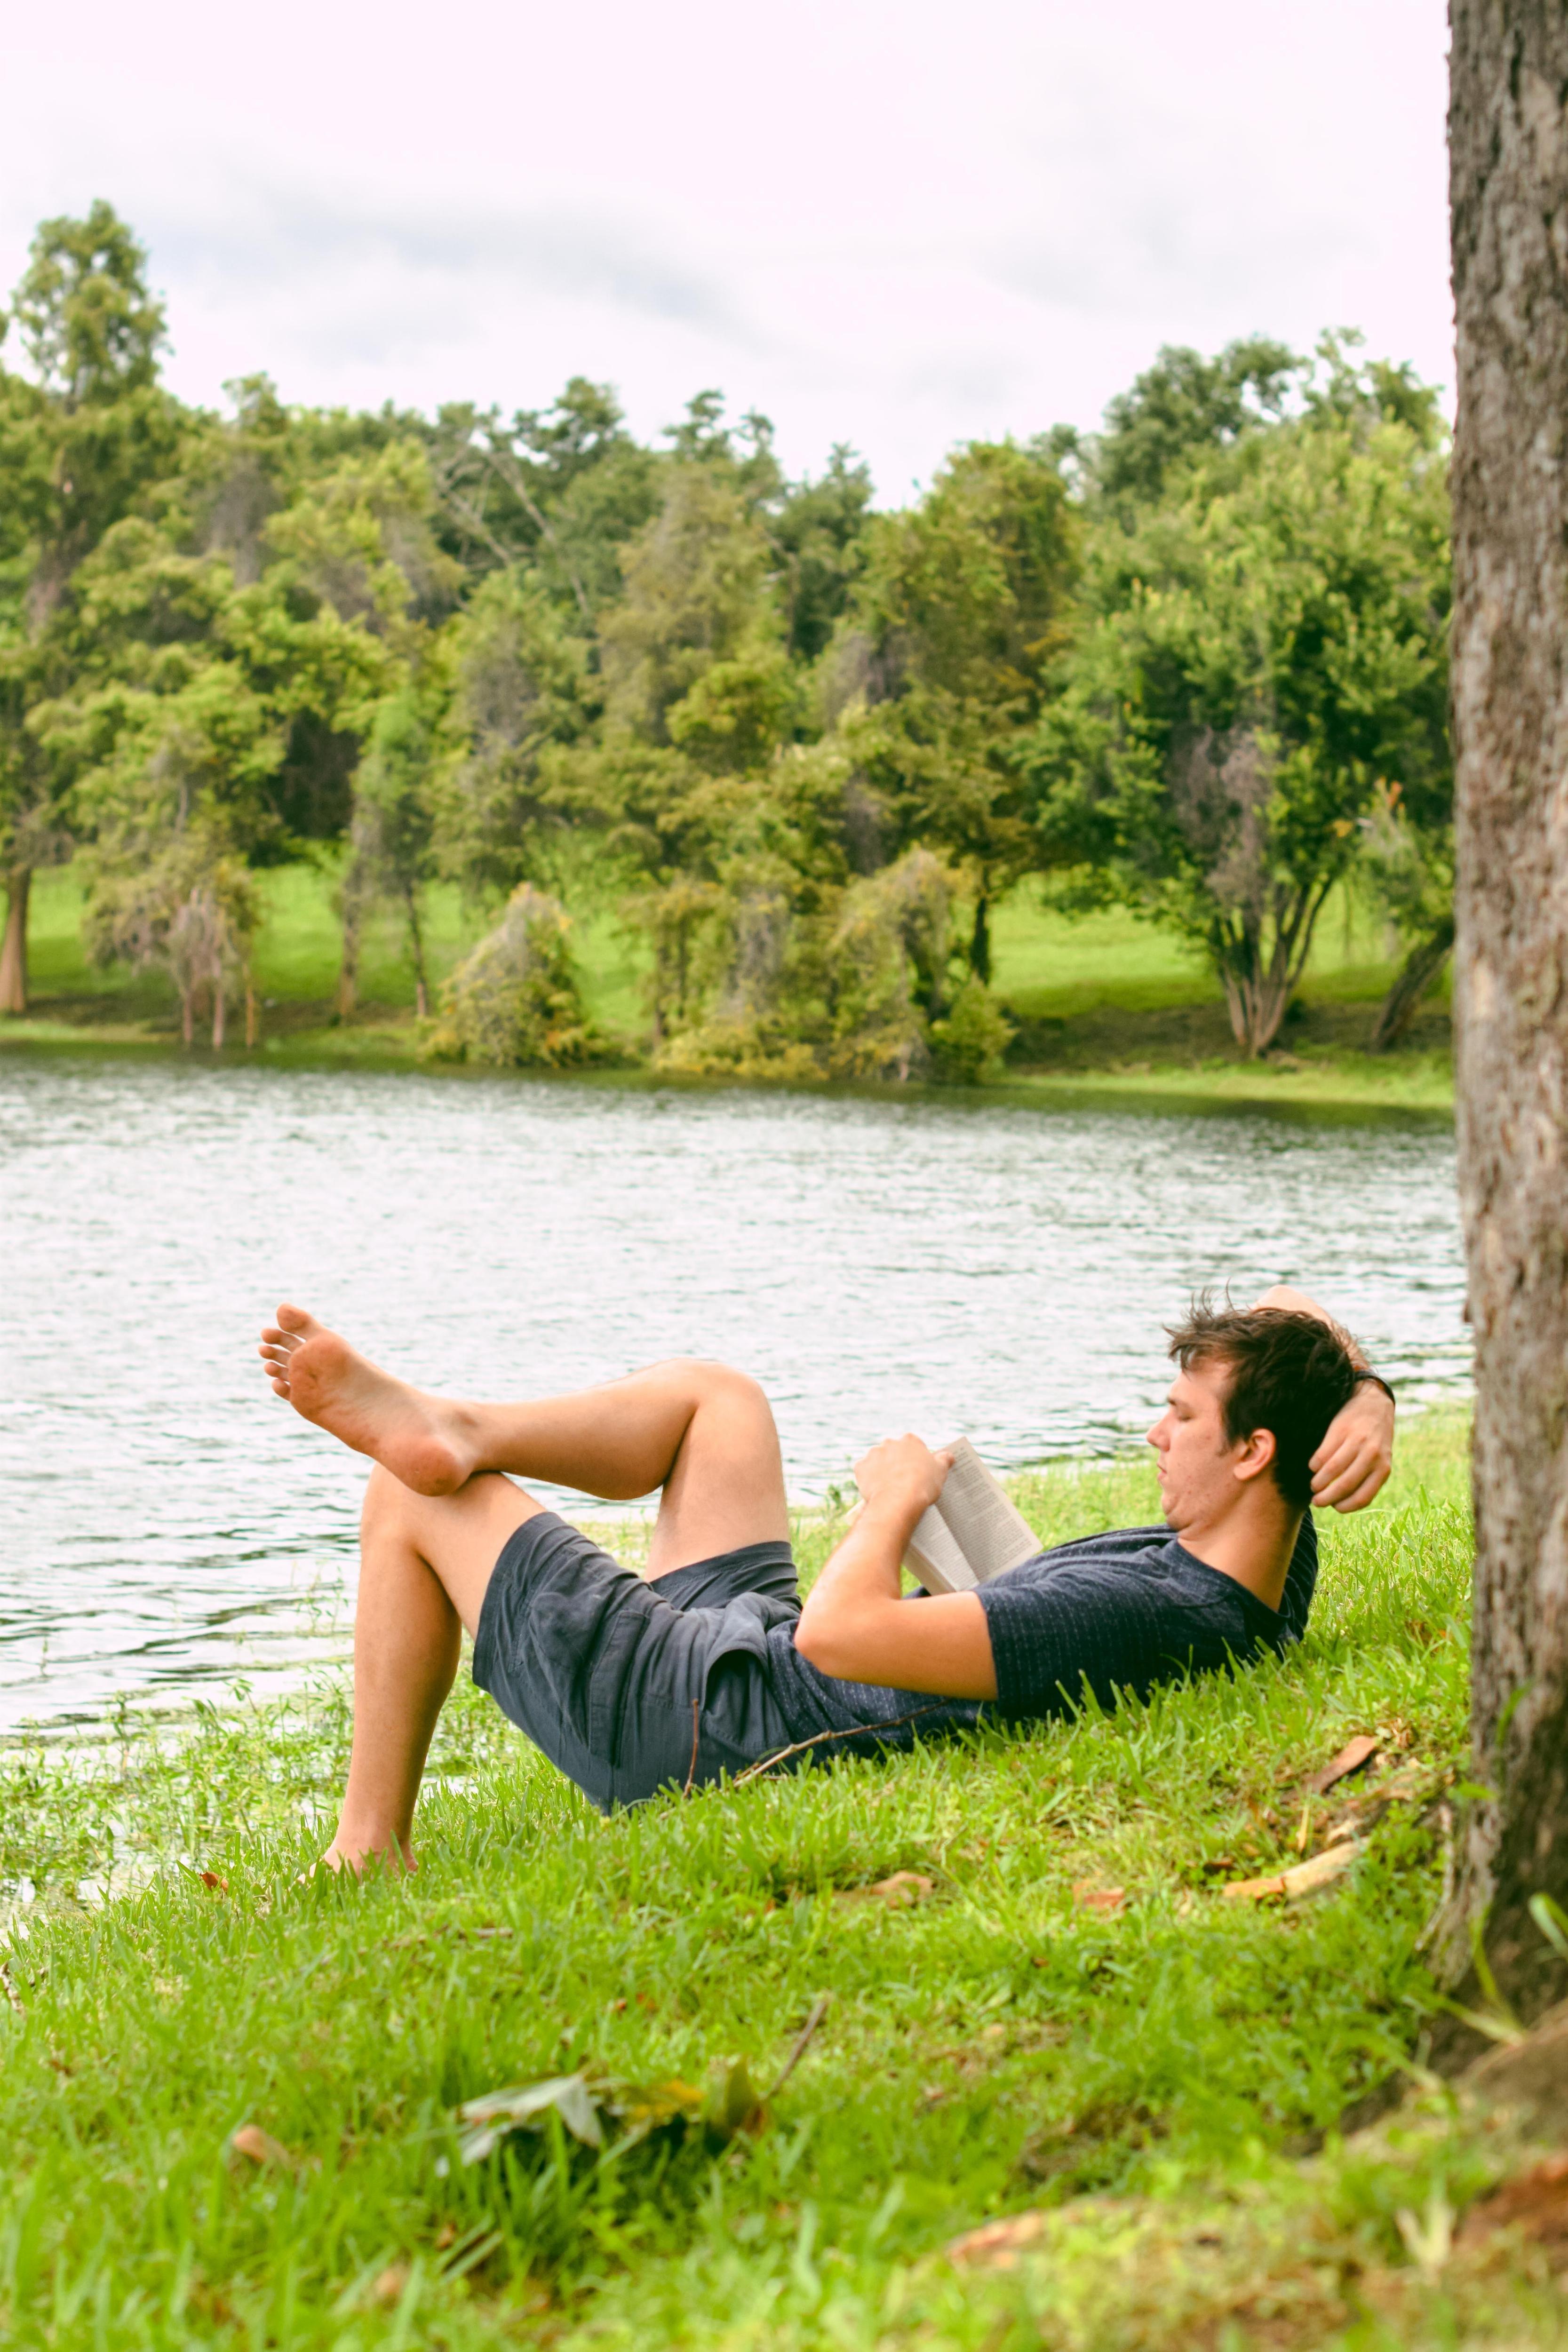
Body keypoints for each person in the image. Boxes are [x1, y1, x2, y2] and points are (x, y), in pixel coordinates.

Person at [256, 1285, 1395, 1873]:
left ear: (1252, 1452)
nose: (1154, 1434)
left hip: (701, 1724)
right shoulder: (1262, 1562)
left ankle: (368, 1848)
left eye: (1181, 1416)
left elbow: (835, 1640)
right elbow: (1295, 1329)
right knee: (721, 1398)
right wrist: (1364, 1394)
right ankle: (455, 1421)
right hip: (743, 1661)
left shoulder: (1132, 1611)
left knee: (408, 1497)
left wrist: (890, 1499)